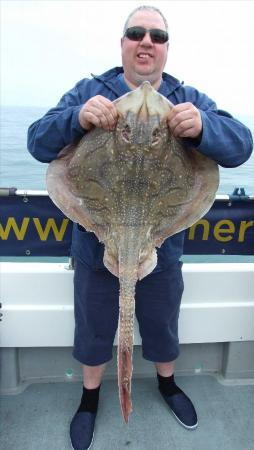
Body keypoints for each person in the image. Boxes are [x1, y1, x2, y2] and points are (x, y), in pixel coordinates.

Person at [27, 5, 253, 450]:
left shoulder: (187, 97)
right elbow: (38, 141)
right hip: (97, 243)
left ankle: (167, 384)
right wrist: (76, 118)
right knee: (93, 324)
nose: (146, 41)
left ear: (166, 48)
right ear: (124, 42)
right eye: (136, 33)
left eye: (157, 35)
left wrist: (204, 126)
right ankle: (90, 396)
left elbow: (242, 144)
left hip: (161, 241)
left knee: (162, 321)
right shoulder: (91, 90)